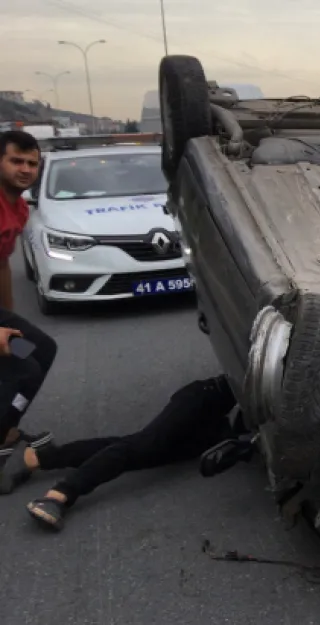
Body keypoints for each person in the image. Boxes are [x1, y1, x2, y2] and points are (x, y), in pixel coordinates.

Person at [0, 374, 254, 531]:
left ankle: (44, 456)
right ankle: (58, 496)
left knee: (136, 449)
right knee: (143, 445)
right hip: (210, 398)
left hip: (216, 434)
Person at [0, 130, 57, 458]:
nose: (25, 169)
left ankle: (6, 429)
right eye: (15, 161)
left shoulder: (19, 209)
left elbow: (2, 265)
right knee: (25, 368)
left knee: (40, 350)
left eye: (32, 164)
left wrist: (9, 317)